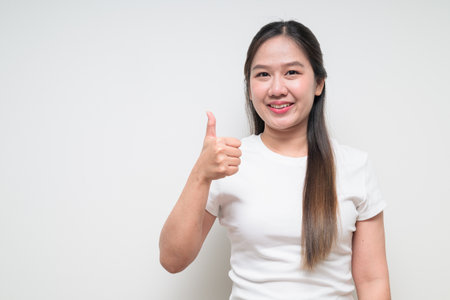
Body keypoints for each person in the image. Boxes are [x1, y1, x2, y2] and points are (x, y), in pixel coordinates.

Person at [159, 20, 391, 300]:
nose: (277, 88)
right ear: (250, 87)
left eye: (291, 72)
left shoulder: (355, 166)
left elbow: (373, 281)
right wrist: (200, 175)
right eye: (263, 75)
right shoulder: (228, 162)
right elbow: (173, 260)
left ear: (318, 83)